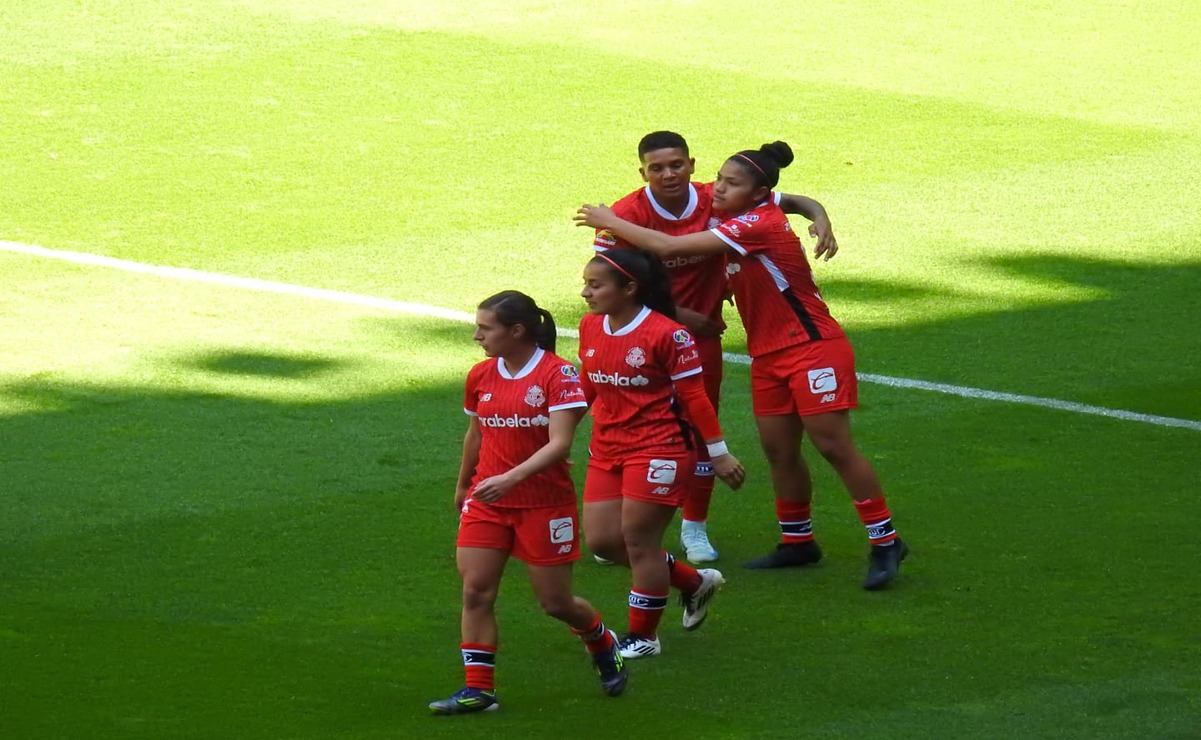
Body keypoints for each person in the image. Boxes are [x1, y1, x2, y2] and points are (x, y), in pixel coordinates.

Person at [575, 142, 909, 590]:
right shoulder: (737, 212)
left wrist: (610, 221)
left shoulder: (757, 222)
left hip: (811, 347)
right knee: (779, 450)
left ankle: (886, 540)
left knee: (833, 445)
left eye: (730, 184)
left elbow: (670, 245)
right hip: (767, 354)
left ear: (757, 194)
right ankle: (797, 540)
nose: (717, 189)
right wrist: (819, 215)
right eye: (719, 178)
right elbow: (798, 201)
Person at [592, 130, 840, 564]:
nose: (669, 174)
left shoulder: (718, 196)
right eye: (657, 168)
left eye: (677, 164)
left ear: (691, 165)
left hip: (700, 339)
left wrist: (820, 218)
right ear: (642, 172)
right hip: (641, 336)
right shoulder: (627, 214)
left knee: (700, 430)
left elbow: (792, 201)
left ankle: (695, 528)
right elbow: (609, 284)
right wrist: (679, 314)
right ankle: (626, 525)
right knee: (628, 423)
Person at [429, 290, 628, 716]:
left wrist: (510, 478)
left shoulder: (559, 375)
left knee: (555, 603)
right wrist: (464, 485)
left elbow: (560, 444)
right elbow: (476, 434)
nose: (477, 336)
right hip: (488, 501)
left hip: (543, 504)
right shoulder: (480, 375)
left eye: (485, 328)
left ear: (517, 331)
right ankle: (479, 690)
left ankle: (599, 638)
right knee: (476, 591)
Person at [577, 248, 746, 659]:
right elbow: (588, 385)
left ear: (629, 288)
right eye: (586, 284)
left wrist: (719, 454)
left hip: (660, 448)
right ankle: (693, 582)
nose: (585, 293)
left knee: (639, 543)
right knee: (602, 541)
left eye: (595, 285)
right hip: (607, 447)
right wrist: (552, 437)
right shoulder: (590, 326)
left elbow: (696, 398)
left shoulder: (669, 335)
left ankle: (644, 637)